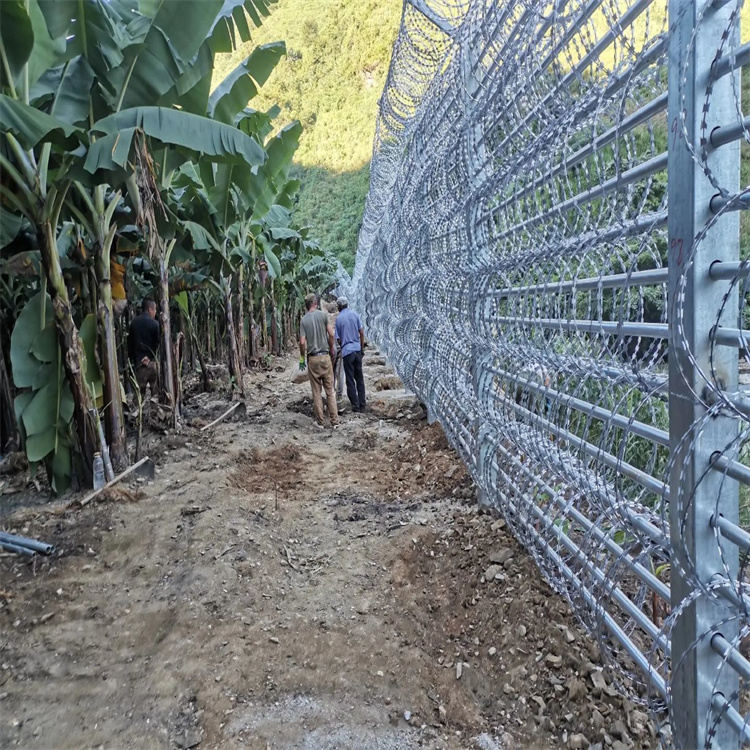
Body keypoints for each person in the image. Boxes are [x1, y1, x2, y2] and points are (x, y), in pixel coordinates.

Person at [299, 293, 340, 428]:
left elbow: (302, 342)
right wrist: (331, 348)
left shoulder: (303, 320)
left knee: (316, 392)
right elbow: (331, 334)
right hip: (325, 356)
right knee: (330, 391)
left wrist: (302, 357)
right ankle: (334, 421)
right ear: (316, 303)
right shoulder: (323, 315)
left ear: (306, 306)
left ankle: (320, 422)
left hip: (313, 358)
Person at [334, 297, 366, 413]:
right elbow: (361, 332)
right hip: (357, 349)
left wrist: (343, 345)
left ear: (339, 307)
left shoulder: (339, 319)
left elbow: (338, 339)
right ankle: (362, 404)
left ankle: (355, 406)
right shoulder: (355, 314)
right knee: (359, 378)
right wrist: (361, 348)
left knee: (350, 379)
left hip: (347, 352)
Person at [128, 299, 160, 398]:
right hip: (153, 364)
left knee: (138, 396)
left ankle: (138, 408)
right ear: (150, 309)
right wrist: (149, 357)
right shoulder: (155, 324)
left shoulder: (134, 323)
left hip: (139, 364)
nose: (155, 312)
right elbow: (158, 344)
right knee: (156, 394)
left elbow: (130, 345)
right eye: (155, 309)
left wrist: (135, 361)